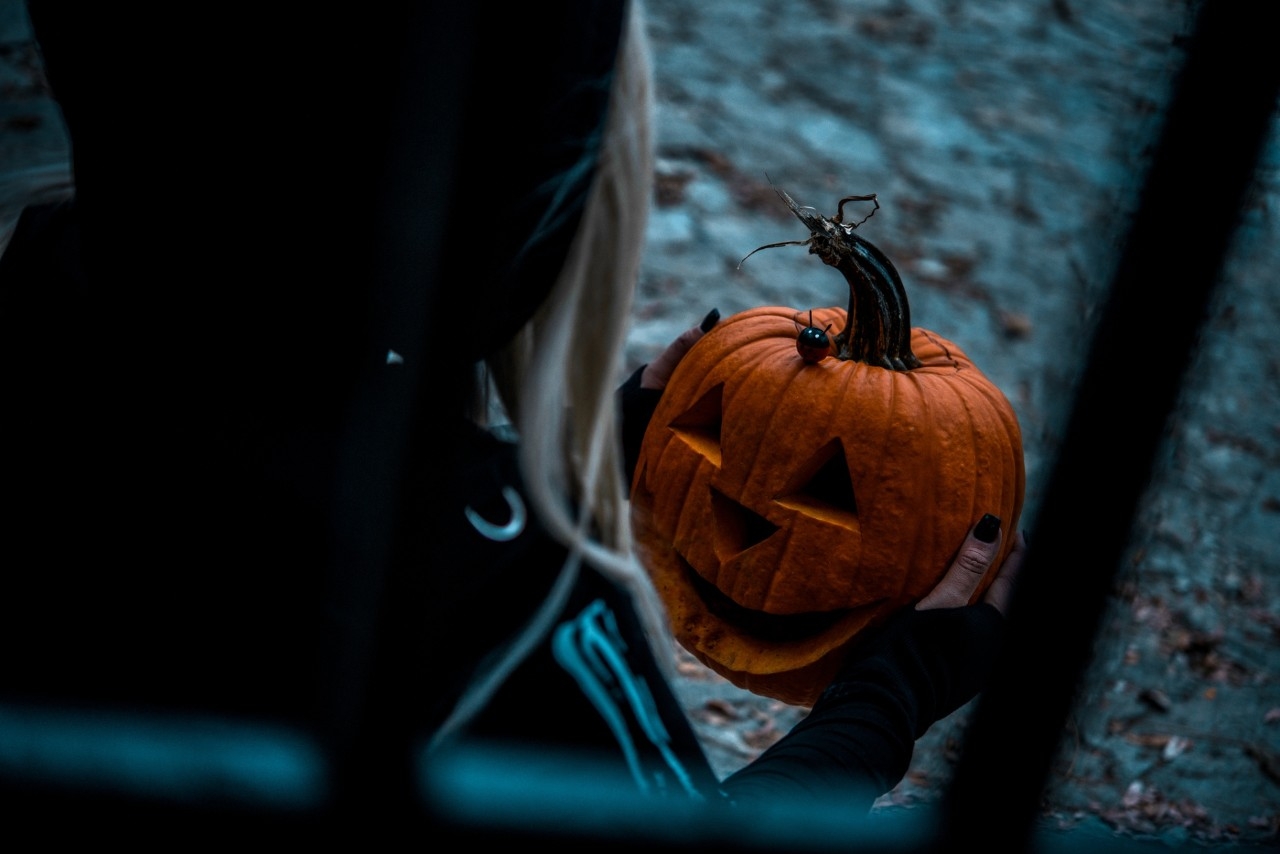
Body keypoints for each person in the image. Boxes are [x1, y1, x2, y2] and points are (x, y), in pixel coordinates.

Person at [1, 0, 1026, 828]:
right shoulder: (521, 602)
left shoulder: (48, 287)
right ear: (524, 188)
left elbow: (284, 451)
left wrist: (569, 468)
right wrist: (891, 691)